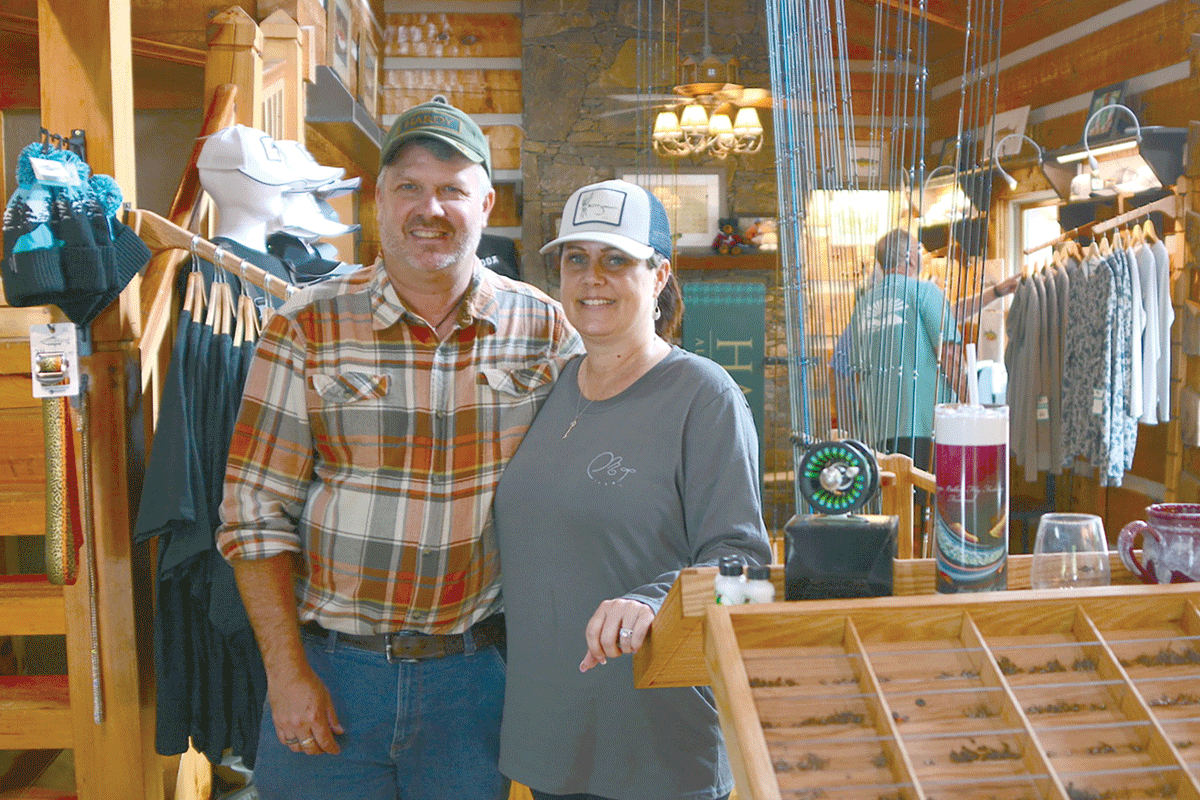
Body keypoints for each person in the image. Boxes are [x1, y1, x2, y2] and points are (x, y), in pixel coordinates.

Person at [216, 98, 582, 800]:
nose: (430, 208)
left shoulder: (542, 330)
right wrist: (288, 676)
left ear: (485, 203)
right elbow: (253, 514)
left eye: (451, 189)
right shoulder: (307, 326)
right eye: (409, 186)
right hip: (331, 674)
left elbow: (586, 497)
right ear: (379, 198)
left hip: (476, 680)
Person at [493, 179, 772, 800]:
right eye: (577, 260)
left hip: (657, 751)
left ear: (659, 274)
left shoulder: (704, 395)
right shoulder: (549, 387)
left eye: (616, 259)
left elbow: (747, 572)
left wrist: (650, 600)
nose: (593, 278)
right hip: (551, 742)